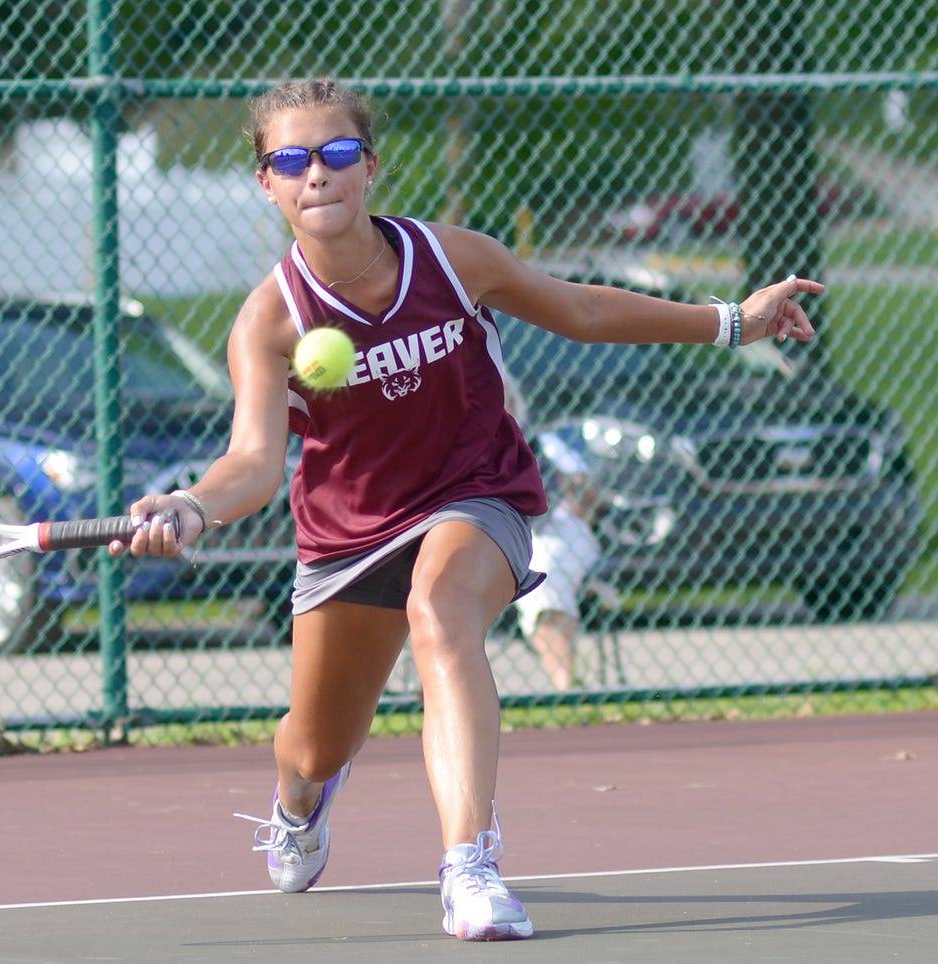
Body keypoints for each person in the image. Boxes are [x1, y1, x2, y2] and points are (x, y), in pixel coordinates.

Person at [110, 79, 821, 942]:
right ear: (267, 183)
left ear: (370, 165)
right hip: (349, 535)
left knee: (442, 612)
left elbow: (584, 310)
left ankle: (470, 867)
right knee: (311, 749)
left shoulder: (451, 258)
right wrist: (190, 505)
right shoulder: (270, 321)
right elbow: (255, 463)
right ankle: (302, 803)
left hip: (475, 492)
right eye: (291, 161)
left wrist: (733, 324)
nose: (318, 175)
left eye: (337, 153)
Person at [514, 434, 604, 691]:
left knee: (544, 574)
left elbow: (592, 500)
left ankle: (566, 687)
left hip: (561, 528)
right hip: (499, 532)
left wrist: (572, 486)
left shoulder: (545, 443)